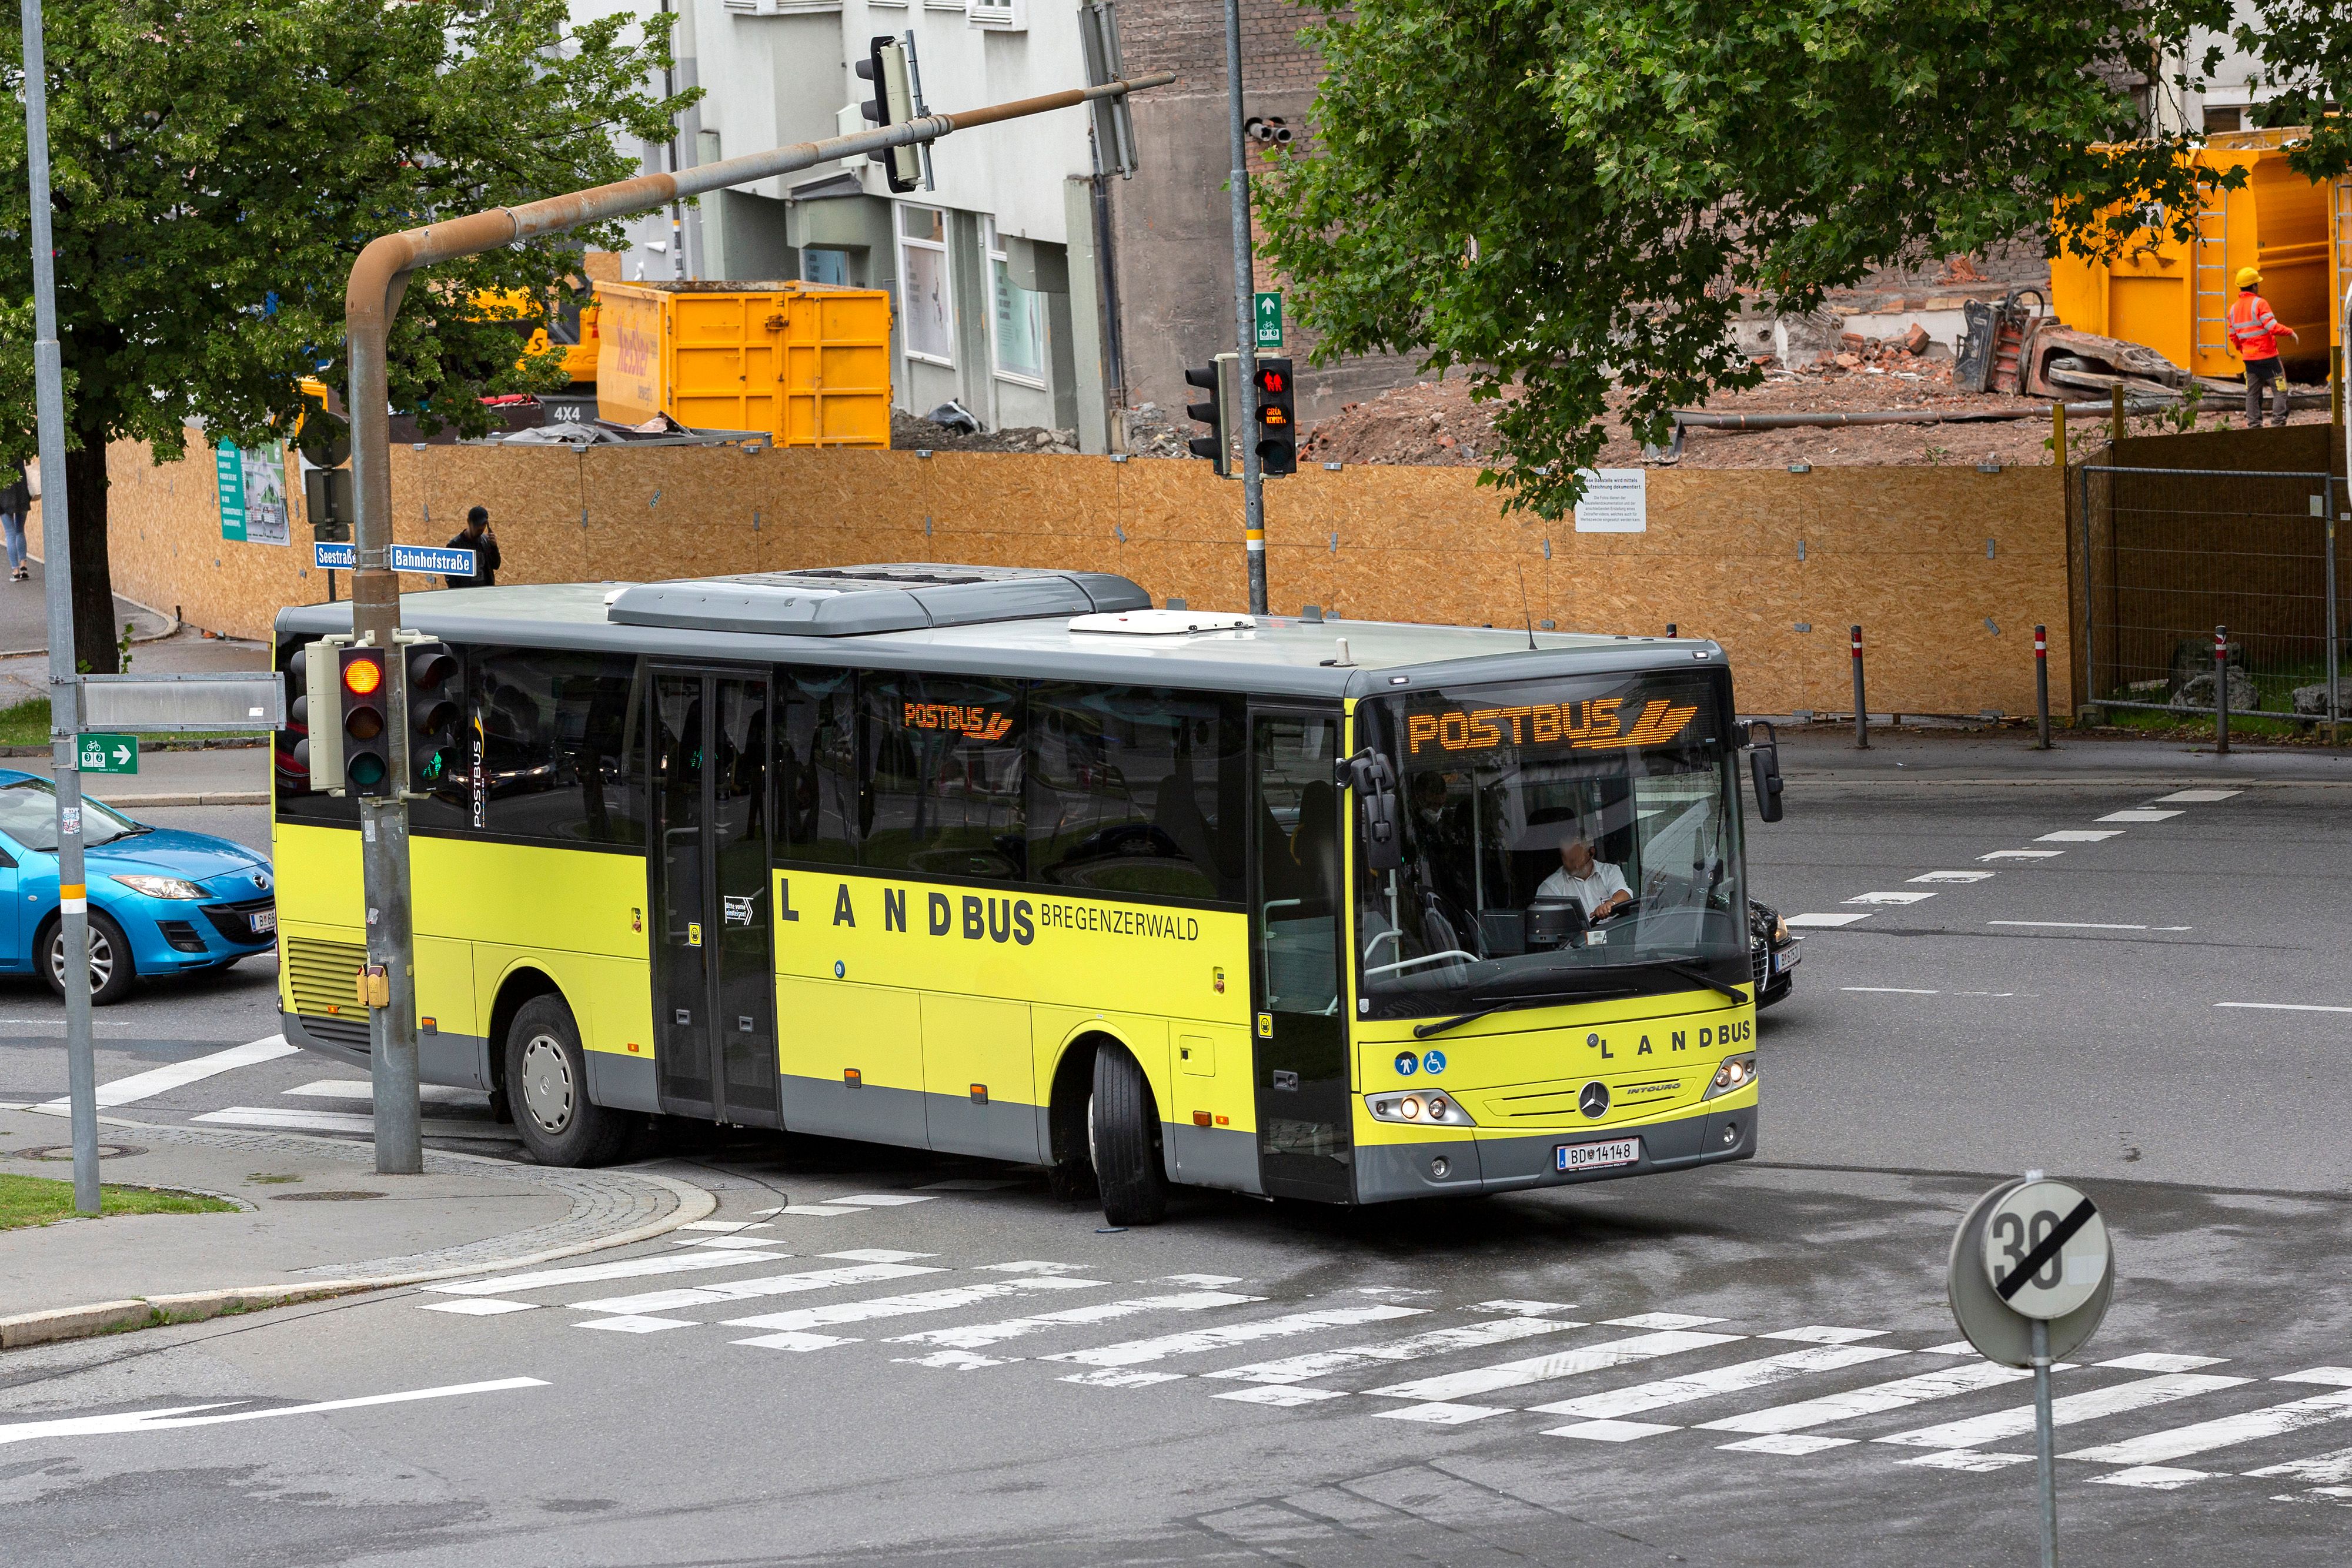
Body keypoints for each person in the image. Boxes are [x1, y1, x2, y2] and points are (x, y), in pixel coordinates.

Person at [2227, 267, 2300, 430]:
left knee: (2252, 394)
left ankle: (2254, 427)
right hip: (2269, 358)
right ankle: (2278, 425)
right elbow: (2272, 326)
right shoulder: (2260, 303)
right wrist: (2289, 332)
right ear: (2254, 286)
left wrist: (2245, 350)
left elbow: (2233, 336)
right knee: (2280, 390)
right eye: (2257, 284)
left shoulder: (2233, 309)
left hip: (2250, 361)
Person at [1534, 826, 1631, 920]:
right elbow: (1543, 920)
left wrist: (1611, 904)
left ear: (1591, 852)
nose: (1568, 860)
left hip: (1613, 929)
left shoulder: (1610, 871)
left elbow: (1624, 894)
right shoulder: (1551, 886)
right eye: (1564, 855)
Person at [445, 504, 502, 589]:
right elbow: (450, 577)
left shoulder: (486, 541)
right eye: (477, 525)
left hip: (486, 592)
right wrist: (457, 593)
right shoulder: (455, 545)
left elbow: (496, 565)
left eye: (483, 526)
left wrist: (494, 547)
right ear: (469, 522)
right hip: (466, 594)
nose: (480, 529)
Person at [0, 463, 28, 582]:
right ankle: (24, 568)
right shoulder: (19, 457)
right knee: (20, 531)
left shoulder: (2, 460)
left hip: (4, 502)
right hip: (22, 499)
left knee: (10, 534)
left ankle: (16, 572)